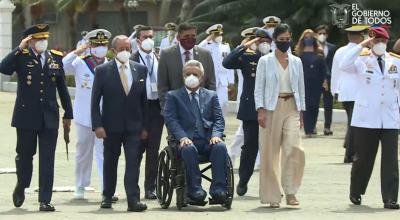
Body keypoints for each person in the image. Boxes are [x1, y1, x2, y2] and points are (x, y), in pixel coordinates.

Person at [0, 24, 73, 211]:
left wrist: (68, 113)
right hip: (26, 115)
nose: (42, 42)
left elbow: (62, 88)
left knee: (47, 158)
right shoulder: (21, 57)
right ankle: (22, 184)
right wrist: (19, 48)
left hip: (49, 115)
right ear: (30, 40)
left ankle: (45, 199)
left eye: (44, 39)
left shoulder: (55, 58)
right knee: (25, 155)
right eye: (38, 39)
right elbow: (3, 68)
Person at [340, 27, 400, 209]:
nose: (380, 44)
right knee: (364, 159)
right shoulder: (361, 59)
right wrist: (363, 44)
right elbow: (344, 64)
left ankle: (390, 198)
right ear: (371, 41)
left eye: (383, 41)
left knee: (391, 159)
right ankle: (356, 191)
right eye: (377, 41)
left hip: (389, 117)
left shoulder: (395, 61)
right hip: (366, 118)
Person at [91, 35, 148, 212]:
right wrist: (97, 125)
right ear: (113, 50)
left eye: (128, 49)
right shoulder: (102, 70)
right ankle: (107, 196)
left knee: (133, 162)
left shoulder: (140, 69)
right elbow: (94, 101)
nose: (125, 52)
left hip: (133, 126)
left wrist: (145, 127)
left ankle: (133, 199)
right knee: (110, 162)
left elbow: (143, 101)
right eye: (121, 49)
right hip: (110, 126)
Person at [63, 29, 118, 201]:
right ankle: (80, 185)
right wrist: (78, 50)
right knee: (83, 152)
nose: (99, 47)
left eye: (102, 44)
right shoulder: (80, 63)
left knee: (105, 153)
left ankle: (106, 187)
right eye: (96, 44)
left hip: (105, 117)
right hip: (84, 116)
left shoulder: (112, 63)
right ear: (90, 45)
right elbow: (63, 67)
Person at [255, 23, 305, 208]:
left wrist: (301, 112)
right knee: (270, 153)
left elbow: (301, 88)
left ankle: (291, 191)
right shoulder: (265, 61)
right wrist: (260, 110)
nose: (284, 42)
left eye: (287, 39)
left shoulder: (296, 61)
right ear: (275, 40)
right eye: (281, 39)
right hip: (270, 107)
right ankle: (272, 195)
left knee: (294, 148)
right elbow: (258, 87)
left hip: (291, 106)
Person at [164, 60, 228, 203]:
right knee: (188, 148)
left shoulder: (211, 95)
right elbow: (171, 120)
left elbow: (219, 119)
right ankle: (194, 190)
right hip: (186, 141)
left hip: (207, 140)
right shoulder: (173, 96)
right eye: (188, 74)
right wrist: (182, 137)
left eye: (195, 74)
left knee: (220, 146)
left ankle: (218, 189)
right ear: (183, 76)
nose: (191, 77)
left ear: (202, 77)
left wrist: (216, 135)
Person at [223, 28, 272, 196]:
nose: (263, 44)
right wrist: (245, 45)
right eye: (260, 41)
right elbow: (227, 62)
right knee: (250, 147)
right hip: (251, 109)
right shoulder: (249, 57)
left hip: (272, 108)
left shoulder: (277, 59)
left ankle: (272, 185)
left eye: (267, 41)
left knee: (272, 149)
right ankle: (243, 180)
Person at [130, 26, 164, 200]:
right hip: (138, 110)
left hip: (156, 109)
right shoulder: (132, 60)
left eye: (151, 36)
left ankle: (150, 188)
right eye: (145, 37)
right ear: (138, 41)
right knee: (136, 151)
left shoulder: (159, 58)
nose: (149, 39)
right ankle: (132, 189)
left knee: (153, 151)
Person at [331, 25, 369, 163]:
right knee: (355, 124)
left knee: (351, 122)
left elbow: (335, 73)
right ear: (361, 36)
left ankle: (349, 145)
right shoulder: (363, 51)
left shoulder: (340, 51)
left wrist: (334, 90)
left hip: (345, 93)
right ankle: (350, 153)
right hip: (358, 92)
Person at [158, 23, 216, 109]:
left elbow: (211, 83)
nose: (190, 39)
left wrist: (209, 106)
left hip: (201, 109)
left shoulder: (205, 54)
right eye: (186, 36)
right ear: (178, 37)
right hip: (175, 108)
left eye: (193, 36)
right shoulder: (166, 54)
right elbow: (162, 85)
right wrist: (166, 108)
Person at [227, 28, 256, 168]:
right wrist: (243, 47)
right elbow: (228, 62)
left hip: (264, 100)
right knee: (243, 132)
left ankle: (259, 161)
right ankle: (231, 155)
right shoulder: (244, 56)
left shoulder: (264, 55)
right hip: (247, 99)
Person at [294, 29, 328, 137]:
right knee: (307, 106)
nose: (308, 39)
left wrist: (325, 81)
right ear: (303, 39)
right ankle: (308, 129)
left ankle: (312, 126)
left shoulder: (319, 52)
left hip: (316, 83)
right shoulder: (299, 53)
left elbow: (324, 68)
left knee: (314, 106)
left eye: (310, 37)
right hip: (303, 83)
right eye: (306, 37)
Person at [199, 24, 235, 116]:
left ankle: (219, 123)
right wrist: (207, 39)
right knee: (208, 103)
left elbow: (230, 64)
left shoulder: (225, 46)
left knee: (224, 103)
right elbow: (197, 49)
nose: (219, 36)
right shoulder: (206, 46)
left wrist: (231, 81)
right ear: (211, 35)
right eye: (216, 34)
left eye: (220, 34)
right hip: (210, 79)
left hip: (223, 79)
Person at [315, 25, 337, 135]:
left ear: (327, 35)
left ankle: (327, 127)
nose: (322, 35)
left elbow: (334, 64)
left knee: (328, 104)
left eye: (324, 33)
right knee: (314, 103)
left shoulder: (332, 47)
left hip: (329, 80)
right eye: (320, 33)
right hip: (315, 79)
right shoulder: (312, 47)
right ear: (316, 35)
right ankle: (313, 126)